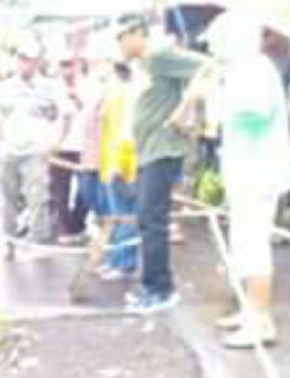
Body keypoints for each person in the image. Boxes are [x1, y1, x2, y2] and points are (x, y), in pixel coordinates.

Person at [183, 13, 290, 348]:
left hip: (258, 172)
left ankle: (260, 321)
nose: (214, 49)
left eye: (218, 43)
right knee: (242, 246)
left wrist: (216, 96)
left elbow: (255, 114)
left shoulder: (255, 70)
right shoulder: (241, 70)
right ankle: (249, 310)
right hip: (245, 171)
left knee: (254, 246)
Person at [117, 14, 208, 313]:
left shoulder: (159, 55)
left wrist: (185, 108)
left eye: (121, 37)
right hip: (147, 151)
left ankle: (160, 289)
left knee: (151, 218)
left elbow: (206, 66)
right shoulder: (143, 65)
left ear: (136, 33)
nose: (119, 44)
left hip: (163, 149)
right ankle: (152, 284)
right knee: (147, 218)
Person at [0, 39, 61, 256]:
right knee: (8, 199)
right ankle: (9, 242)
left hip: (35, 151)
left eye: (30, 60)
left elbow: (63, 114)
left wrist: (54, 143)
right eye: (22, 59)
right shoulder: (4, 88)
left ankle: (36, 243)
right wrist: (2, 143)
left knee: (38, 199)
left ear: (37, 62)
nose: (25, 64)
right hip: (9, 151)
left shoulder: (49, 88)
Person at [81, 61, 140, 279]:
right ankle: (117, 259)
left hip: (122, 163)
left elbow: (124, 133)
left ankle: (124, 263)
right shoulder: (114, 95)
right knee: (115, 215)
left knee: (123, 216)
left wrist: (117, 163)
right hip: (112, 162)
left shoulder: (121, 96)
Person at [51, 50, 89, 241]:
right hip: (60, 146)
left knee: (87, 188)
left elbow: (92, 111)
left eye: (70, 64)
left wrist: (76, 98)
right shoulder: (51, 87)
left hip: (84, 145)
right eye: (63, 65)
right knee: (60, 190)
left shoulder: (90, 84)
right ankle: (65, 229)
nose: (67, 69)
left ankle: (78, 223)